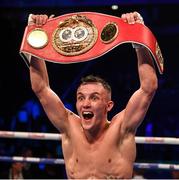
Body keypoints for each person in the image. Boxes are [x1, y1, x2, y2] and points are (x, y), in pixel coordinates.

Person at [28, 12, 158, 179]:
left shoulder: (121, 128)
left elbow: (149, 87)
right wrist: (35, 36)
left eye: (94, 97)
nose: (86, 103)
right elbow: (40, 88)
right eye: (81, 97)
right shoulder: (69, 126)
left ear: (109, 105)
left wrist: (139, 36)